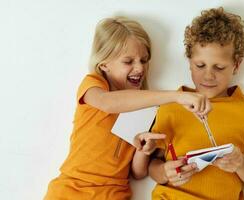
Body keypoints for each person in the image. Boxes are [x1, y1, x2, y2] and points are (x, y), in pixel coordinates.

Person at [44, 16, 211, 200]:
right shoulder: (94, 86)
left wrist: (143, 150)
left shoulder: (145, 108)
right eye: (128, 61)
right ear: (104, 65)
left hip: (114, 195)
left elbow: (137, 174)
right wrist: (176, 96)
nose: (140, 68)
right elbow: (108, 103)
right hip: (71, 190)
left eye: (144, 60)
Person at [149, 7, 244, 200]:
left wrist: (241, 163)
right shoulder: (170, 106)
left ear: (237, 65)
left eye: (219, 67)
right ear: (189, 62)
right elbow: (152, 166)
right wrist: (165, 172)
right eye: (200, 66)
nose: (208, 75)